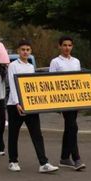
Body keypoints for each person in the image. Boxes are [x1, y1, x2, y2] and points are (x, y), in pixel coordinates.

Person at [7, 40, 59, 173]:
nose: (25, 52)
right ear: (18, 51)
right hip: (15, 105)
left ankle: (43, 163)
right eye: (23, 49)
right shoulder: (12, 65)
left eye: (28, 49)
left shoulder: (30, 67)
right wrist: (17, 103)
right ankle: (13, 161)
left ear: (30, 51)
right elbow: (13, 85)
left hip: (30, 105)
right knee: (14, 134)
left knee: (37, 133)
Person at [49, 36, 85, 171]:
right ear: (59, 46)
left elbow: (80, 80)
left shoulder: (76, 61)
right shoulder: (55, 62)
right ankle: (77, 158)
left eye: (69, 45)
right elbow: (50, 81)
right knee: (73, 127)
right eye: (64, 45)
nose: (67, 48)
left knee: (70, 127)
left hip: (75, 99)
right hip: (63, 99)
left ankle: (64, 157)